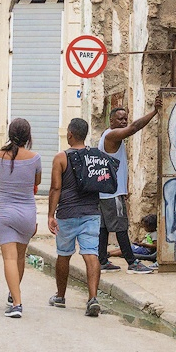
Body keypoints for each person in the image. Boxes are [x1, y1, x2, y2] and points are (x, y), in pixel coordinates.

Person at [97, 96, 162, 274]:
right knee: (120, 227)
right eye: (120, 119)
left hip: (106, 191)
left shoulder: (107, 135)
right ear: (111, 121)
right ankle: (132, 263)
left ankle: (102, 260)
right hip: (112, 193)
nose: (124, 121)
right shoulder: (112, 135)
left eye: (125, 118)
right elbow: (134, 128)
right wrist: (155, 112)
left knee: (103, 227)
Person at [47, 118, 103, 317]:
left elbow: (55, 188)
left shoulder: (61, 158)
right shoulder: (95, 155)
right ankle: (93, 298)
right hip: (91, 213)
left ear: (70, 134)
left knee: (64, 254)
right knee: (91, 254)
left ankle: (60, 297)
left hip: (67, 214)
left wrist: (50, 215)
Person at [0, 119, 41, 318]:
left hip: (4, 212)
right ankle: (14, 296)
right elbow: (36, 183)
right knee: (20, 257)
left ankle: (17, 303)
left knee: (9, 258)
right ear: (28, 136)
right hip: (27, 213)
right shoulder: (35, 158)